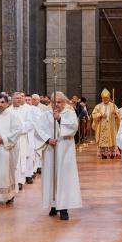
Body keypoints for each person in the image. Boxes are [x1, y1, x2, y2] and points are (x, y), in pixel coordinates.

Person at [35, 91, 82, 220]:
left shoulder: (70, 113)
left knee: (64, 177)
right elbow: (39, 130)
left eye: (59, 102)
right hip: (51, 150)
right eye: (53, 102)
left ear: (64, 102)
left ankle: (64, 207)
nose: (56, 105)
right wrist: (48, 139)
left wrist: (60, 119)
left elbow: (74, 127)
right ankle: (54, 204)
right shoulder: (45, 115)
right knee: (52, 177)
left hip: (65, 150)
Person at [91, 89, 120, 159]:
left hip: (111, 126)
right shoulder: (98, 106)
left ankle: (111, 154)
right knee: (102, 141)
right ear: (102, 98)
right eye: (104, 98)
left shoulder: (113, 106)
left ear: (109, 98)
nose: (105, 99)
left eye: (107, 98)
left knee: (111, 140)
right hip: (102, 126)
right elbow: (93, 114)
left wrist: (115, 114)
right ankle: (103, 154)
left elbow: (119, 115)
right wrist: (100, 115)